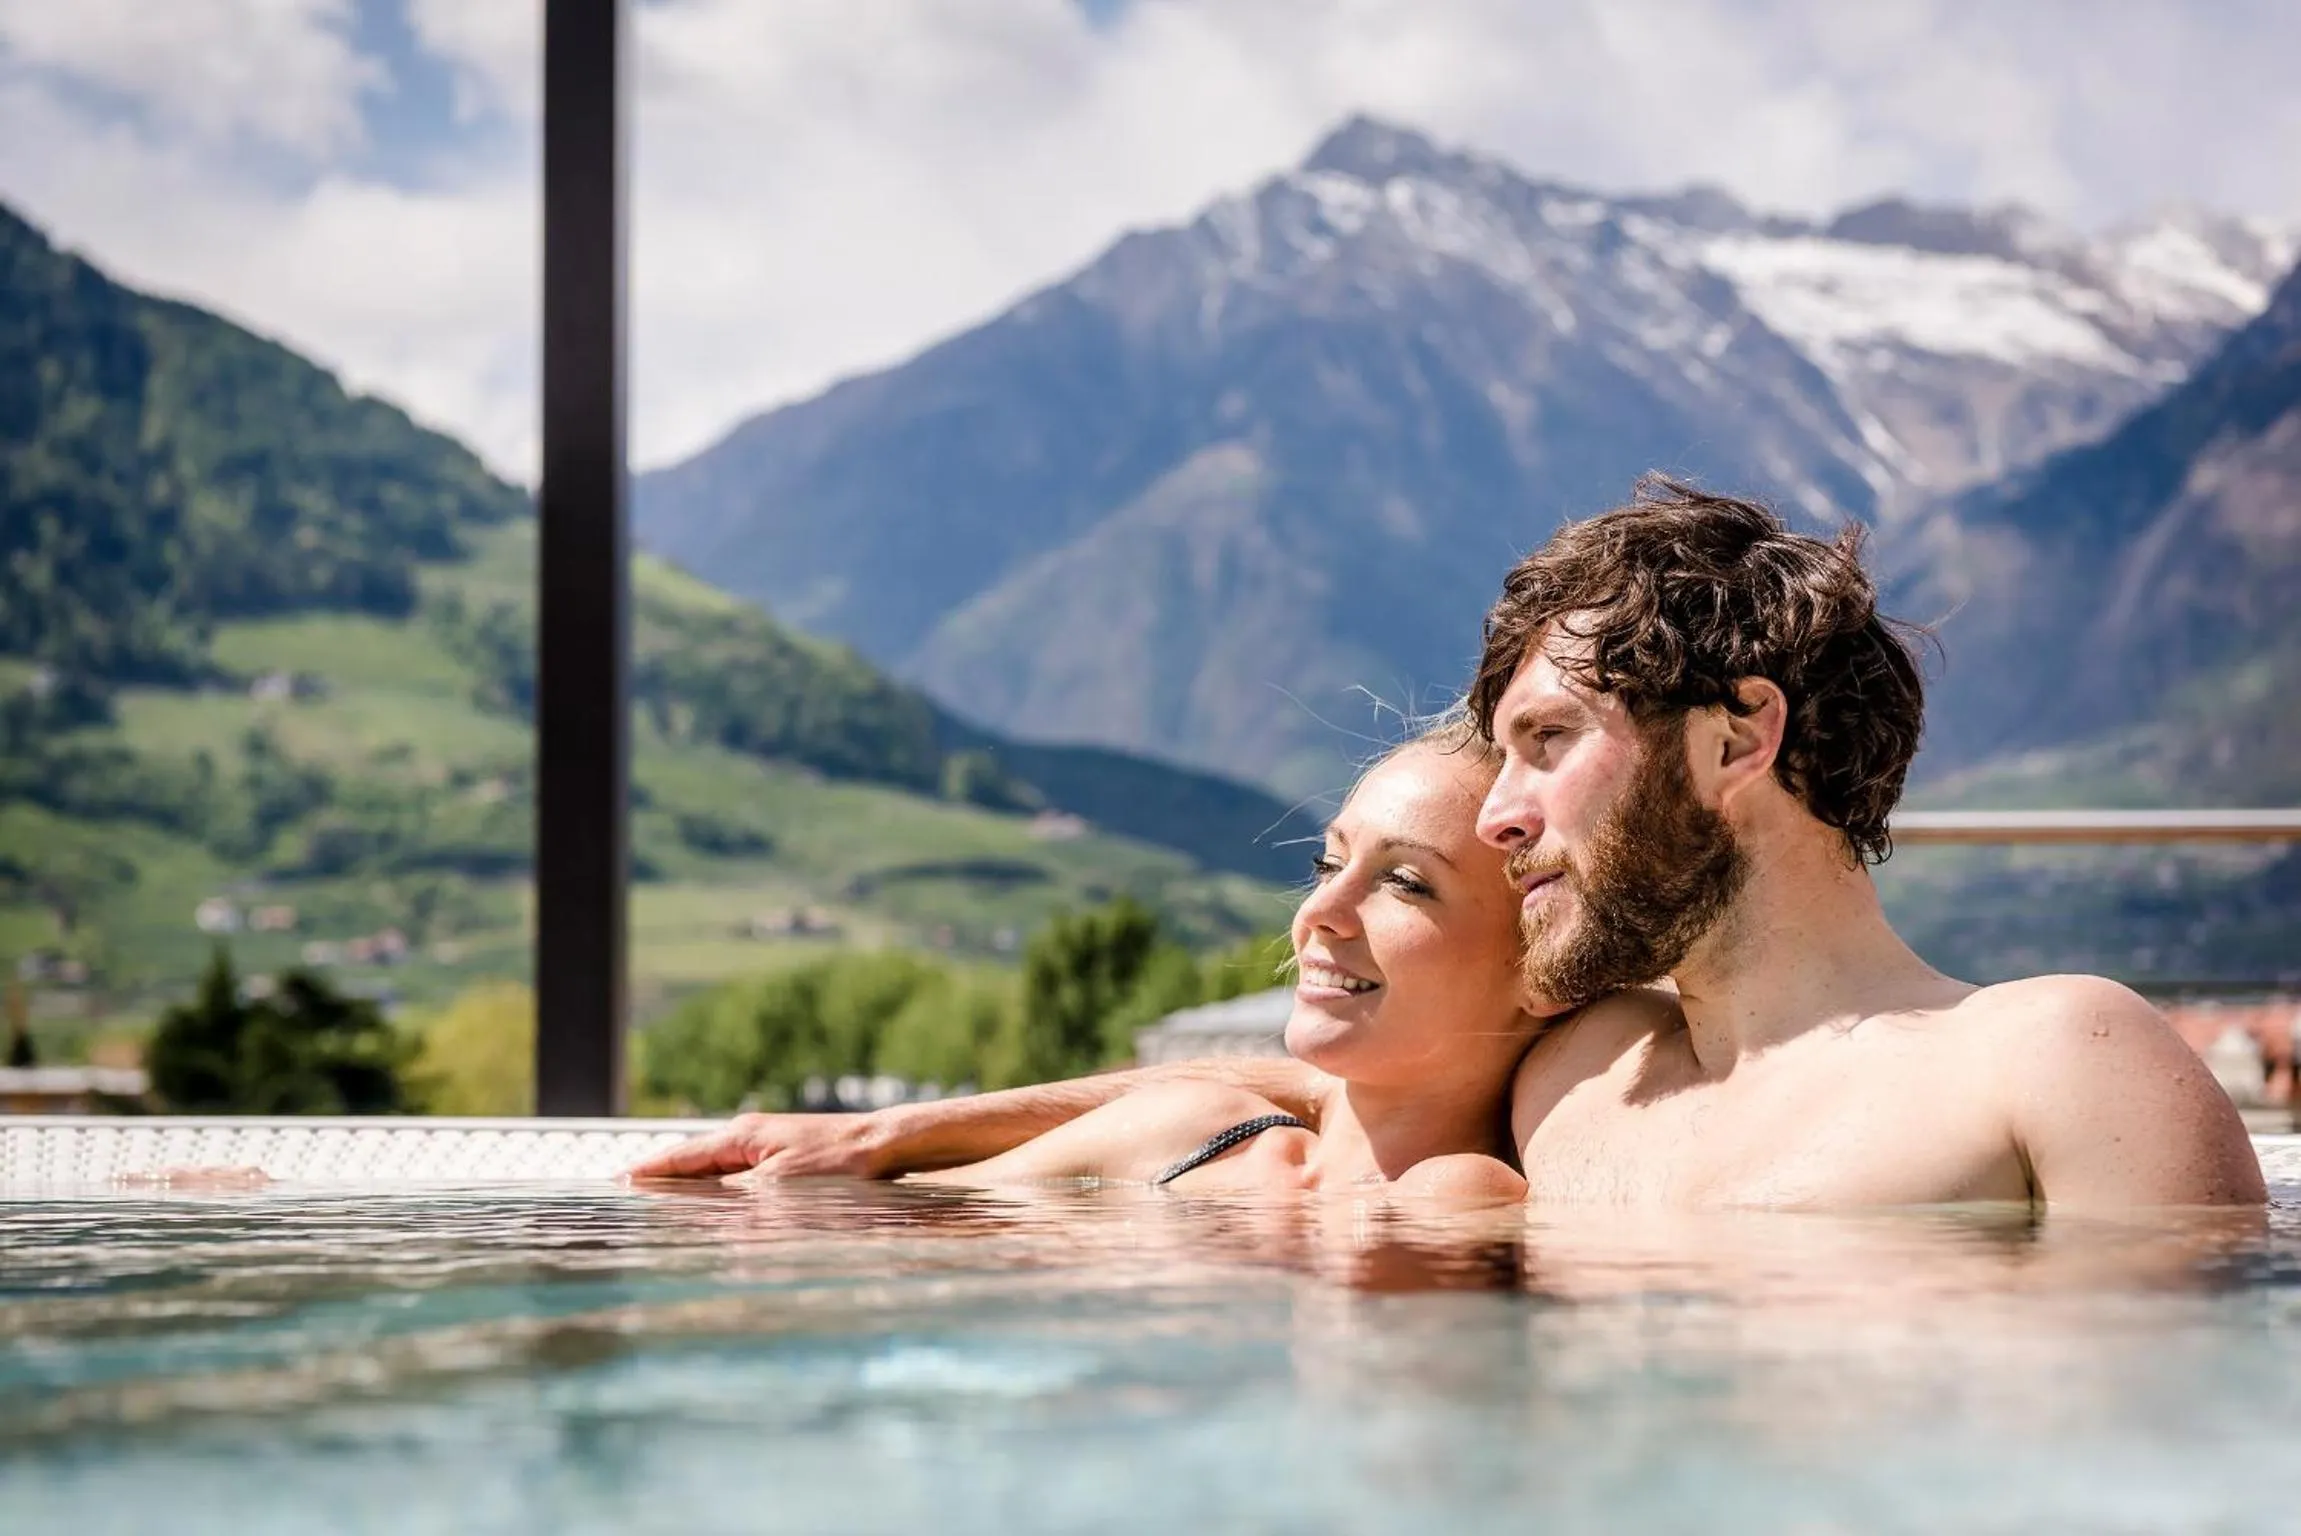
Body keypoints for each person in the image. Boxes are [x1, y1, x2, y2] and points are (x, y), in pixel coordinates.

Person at [632, 477, 2265, 1210]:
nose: (1497, 813)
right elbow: (1308, 1087)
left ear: (1739, 738)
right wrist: (896, 1139)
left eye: (1548, 746)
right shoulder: (1586, 1069)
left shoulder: (2049, 1059)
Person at [905, 720, 1539, 1199]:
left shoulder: (1457, 1193)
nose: (1321, 910)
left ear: (1546, 969)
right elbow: (913, 1221)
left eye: (1404, 881)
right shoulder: (1190, 1126)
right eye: (1329, 864)